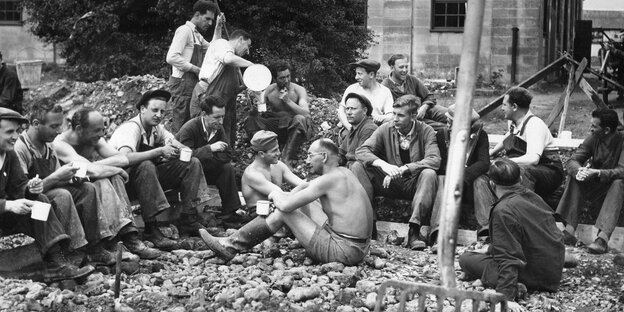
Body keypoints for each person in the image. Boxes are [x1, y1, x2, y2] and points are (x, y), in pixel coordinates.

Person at [199, 138, 373, 265]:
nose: (306, 160)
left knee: (284, 211)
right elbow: (306, 187)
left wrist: (276, 196)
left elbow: (285, 206)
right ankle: (271, 236)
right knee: (303, 202)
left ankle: (231, 245)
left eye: (310, 156)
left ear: (324, 157)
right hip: (358, 247)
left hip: (344, 250)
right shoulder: (344, 173)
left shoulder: (326, 180)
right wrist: (288, 196)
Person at [15, 101, 139, 264]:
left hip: (48, 194)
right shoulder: (20, 148)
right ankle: (71, 252)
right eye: (54, 126)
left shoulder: (48, 145)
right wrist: (58, 177)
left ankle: (95, 248)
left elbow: (61, 175)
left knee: (86, 188)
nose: (59, 131)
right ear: (36, 124)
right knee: (62, 194)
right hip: (30, 207)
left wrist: (72, 177)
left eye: (60, 125)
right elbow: (24, 194)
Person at [52, 106, 165, 257]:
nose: (101, 134)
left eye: (102, 129)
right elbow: (87, 169)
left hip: (85, 183)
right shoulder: (60, 143)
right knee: (105, 179)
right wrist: (113, 168)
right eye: (96, 130)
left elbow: (120, 159)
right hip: (69, 191)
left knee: (113, 176)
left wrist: (109, 168)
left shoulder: (92, 138)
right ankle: (112, 241)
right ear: (79, 129)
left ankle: (129, 236)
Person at [0, 107, 95, 282]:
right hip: (4, 210)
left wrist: (30, 189)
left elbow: (19, 185)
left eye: (16, 131)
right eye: (9, 132)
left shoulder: (9, 155)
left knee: (41, 200)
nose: (14, 136)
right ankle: (58, 262)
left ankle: (56, 262)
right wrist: (8, 205)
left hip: (5, 216)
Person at [458, 159, 564, 312]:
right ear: (520, 179)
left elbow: (508, 256)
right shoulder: (534, 197)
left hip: (532, 275)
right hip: (553, 273)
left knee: (466, 258)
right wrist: (489, 250)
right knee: (487, 253)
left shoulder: (503, 210)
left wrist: (505, 296)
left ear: (491, 184)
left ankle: (518, 286)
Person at [108, 89, 206, 244]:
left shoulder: (156, 128)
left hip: (147, 181)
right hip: (122, 184)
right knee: (146, 165)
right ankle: (151, 227)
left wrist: (183, 150)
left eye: (162, 111)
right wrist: (159, 151)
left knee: (192, 163)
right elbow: (124, 158)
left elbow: (173, 141)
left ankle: (188, 218)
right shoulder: (131, 128)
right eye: (155, 110)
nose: (159, 115)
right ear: (142, 109)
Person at [352, 94, 440, 250]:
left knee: (429, 174)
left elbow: (434, 159)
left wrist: (406, 168)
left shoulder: (427, 131)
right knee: (358, 167)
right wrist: (383, 165)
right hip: (389, 181)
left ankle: (414, 232)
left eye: (400, 115)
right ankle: (369, 229)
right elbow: (362, 151)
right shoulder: (386, 128)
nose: (395, 118)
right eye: (394, 113)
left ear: (413, 116)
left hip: (414, 183)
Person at [474, 86, 563, 236]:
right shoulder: (513, 122)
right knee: (481, 177)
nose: (502, 108)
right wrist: (491, 153)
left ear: (514, 107)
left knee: (519, 171)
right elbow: (508, 138)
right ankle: (488, 227)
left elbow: (533, 159)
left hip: (548, 171)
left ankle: (524, 226)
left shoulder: (534, 125)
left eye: (504, 104)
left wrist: (505, 164)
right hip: (524, 166)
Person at [556, 109, 624, 254]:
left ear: (606, 130)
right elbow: (573, 160)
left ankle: (602, 239)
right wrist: (579, 171)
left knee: (619, 183)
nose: (590, 129)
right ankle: (568, 232)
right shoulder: (593, 138)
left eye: (594, 126)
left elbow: (622, 171)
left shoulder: (622, 141)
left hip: (614, 189)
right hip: (597, 186)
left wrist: (598, 173)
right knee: (575, 177)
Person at [175, 94, 248, 227]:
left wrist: (206, 157)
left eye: (222, 117)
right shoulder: (190, 128)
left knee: (227, 168)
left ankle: (229, 213)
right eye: (216, 117)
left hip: (206, 169)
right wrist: (209, 149)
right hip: (187, 174)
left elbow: (227, 154)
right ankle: (189, 216)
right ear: (204, 114)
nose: (220, 121)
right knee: (195, 163)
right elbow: (184, 157)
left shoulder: (217, 129)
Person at [429, 105, 489, 246]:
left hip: (469, 184)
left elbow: (484, 163)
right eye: (448, 121)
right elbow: (439, 163)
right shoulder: (441, 135)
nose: (448, 125)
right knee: (443, 179)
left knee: (480, 181)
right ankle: (439, 233)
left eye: (452, 122)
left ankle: (486, 234)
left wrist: (462, 177)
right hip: (448, 184)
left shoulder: (479, 136)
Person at [166, 0, 223, 133]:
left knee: (190, 123)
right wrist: (196, 69)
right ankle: (175, 152)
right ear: (197, 15)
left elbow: (213, 48)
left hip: (191, 84)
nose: (209, 23)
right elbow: (171, 57)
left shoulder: (196, 35)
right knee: (181, 124)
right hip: (182, 84)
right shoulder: (184, 30)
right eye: (207, 18)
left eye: (212, 20)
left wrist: (218, 26)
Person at [190, 29, 254, 145]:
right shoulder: (223, 44)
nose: (248, 51)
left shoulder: (234, 60)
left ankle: (225, 156)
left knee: (225, 132)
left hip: (225, 102)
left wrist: (245, 85)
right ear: (240, 39)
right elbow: (227, 59)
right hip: (208, 94)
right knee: (205, 131)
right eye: (247, 46)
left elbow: (233, 89)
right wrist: (251, 65)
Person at [244, 62, 310, 169]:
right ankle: (262, 151)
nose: (286, 80)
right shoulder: (269, 90)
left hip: (293, 128)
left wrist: (288, 101)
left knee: (300, 118)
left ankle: (287, 158)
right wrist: (254, 104)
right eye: (282, 78)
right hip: (276, 125)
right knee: (251, 119)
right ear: (275, 79)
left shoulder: (298, 90)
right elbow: (261, 112)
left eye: (288, 76)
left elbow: (306, 113)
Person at [240, 130, 305, 214]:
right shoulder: (252, 174)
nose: (279, 153)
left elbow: (302, 184)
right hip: (259, 216)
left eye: (278, 149)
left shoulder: (279, 166)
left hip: (277, 209)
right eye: (274, 151)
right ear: (261, 154)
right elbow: (280, 196)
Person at [381, 54, 447, 131]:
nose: (405, 70)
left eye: (406, 67)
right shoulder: (385, 87)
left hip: (426, 109)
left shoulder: (411, 79)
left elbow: (429, 96)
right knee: (444, 127)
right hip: (411, 119)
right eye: (401, 67)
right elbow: (391, 113)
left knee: (451, 115)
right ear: (392, 68)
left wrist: (424, 107)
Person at [337, 59, 394, 131]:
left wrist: (381, 117)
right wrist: (350, 128)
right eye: (356, 74)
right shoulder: (352, 89)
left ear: (371, 75)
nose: (356, 77)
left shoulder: (385, 91)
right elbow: (341, 111)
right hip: (353, 127)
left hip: (375, 129)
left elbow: (391, 115)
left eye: (359, 74)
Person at [338, 93, 377, 169]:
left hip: (362, 173)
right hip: (351, 169)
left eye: (353, 108)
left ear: (364, 110)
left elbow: (361, 159)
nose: (349, 112)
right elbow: (342, 154)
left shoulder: (369, 129)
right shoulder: (354, 127)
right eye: (347, 108)